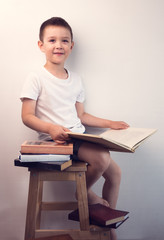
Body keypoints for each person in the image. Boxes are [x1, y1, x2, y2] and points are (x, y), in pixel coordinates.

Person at [20, 17, 129, 240]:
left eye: (64, 40)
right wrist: (50, 128)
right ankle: (86, 195)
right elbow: (27, 116)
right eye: (52, 40)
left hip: (77, 136)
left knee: (115, 173)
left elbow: (82, 116)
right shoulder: (36, 77)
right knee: (101, 158)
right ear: (41, 45)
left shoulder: (76, 79)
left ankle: (105, 226)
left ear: (71, 46)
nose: (58, 45)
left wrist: (110, 124)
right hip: (55, 140)